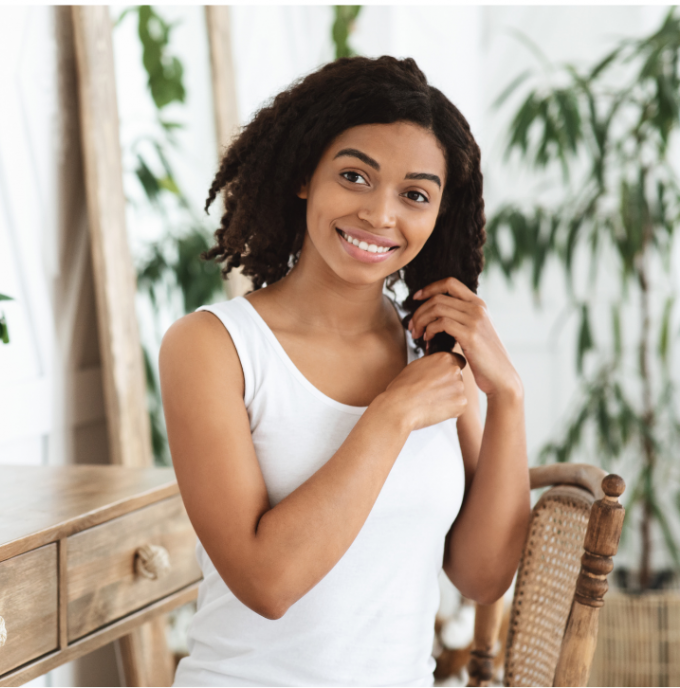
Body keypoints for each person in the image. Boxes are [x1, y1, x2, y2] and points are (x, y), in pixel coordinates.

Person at [160, 56, 530, 687]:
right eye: (356, 176)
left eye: (414, 194)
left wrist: (510, 398)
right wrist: (390, 415)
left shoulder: (438, 356)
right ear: (306, 176)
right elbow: (268, 584)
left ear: (438, 213)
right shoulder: (213, 347)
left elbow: (481, 575)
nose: (380, 215)